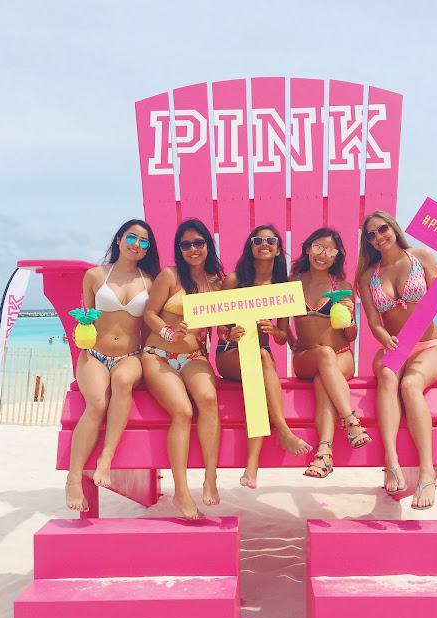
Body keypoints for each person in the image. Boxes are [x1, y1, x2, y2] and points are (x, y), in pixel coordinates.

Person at [356, 211, 437, 510]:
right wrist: (383, 338)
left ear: (393, 228)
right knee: (388, 376)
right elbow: (373, 321)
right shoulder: (368, 276)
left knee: (411, 384)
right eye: (371, 235)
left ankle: (427, 472)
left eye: (382, 229)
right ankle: (391, 462)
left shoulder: (421, 256)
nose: (378, 237)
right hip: (395, 347)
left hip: (429, 346)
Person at [65, 219, 160, 512]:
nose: (136, 244)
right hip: (95, 354)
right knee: (96, 404)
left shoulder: (150, 281)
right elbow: (87, 318)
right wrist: (81, 334)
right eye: (131, 237)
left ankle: (105, 458)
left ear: (147, 249)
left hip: (130, 356)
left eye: (144, 241)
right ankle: (73, 477)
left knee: (122, 382)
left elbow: (150, 324)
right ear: (119, 239)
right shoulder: (95, 276)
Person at [216, 224, 312, 489]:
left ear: (278, 249)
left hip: (261, 356)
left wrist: (272, 330)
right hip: (230, 353)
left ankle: (252, 467)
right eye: (257, 240)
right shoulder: (234, 281)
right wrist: (229, 333)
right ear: (251, 247)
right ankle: (283, 430)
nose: (264, 244)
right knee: (259, 357)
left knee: (258, 371)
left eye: (271, 240)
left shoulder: (283, 286)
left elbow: (281, 336)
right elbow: (218, 327)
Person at [142, 219, 223, 520]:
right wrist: (168, 333)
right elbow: (150, 314)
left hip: (194, 355)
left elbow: (225, 323)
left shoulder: (216, 283)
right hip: (159, 354)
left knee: (209, 400)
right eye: (186, 244)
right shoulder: (170, 275)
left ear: (208, 245)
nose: (193, 249)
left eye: (198, 243)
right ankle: (181, 492)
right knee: (183, 411)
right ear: (179, 249)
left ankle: (211, 477)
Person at [289, 228, 369, 478]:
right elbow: (280, 324)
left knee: (323, 377)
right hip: (307, 357)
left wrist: (349, 316)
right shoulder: (292, 284)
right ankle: (351, 421)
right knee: (324, 355)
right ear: (308, 249)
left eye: (330, 251)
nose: (322, 255)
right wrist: (291, 342)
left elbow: (351, 335)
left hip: (341, 353)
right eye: (318, 247)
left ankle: (324, 453)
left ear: (336, 257)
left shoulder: (342, 287)